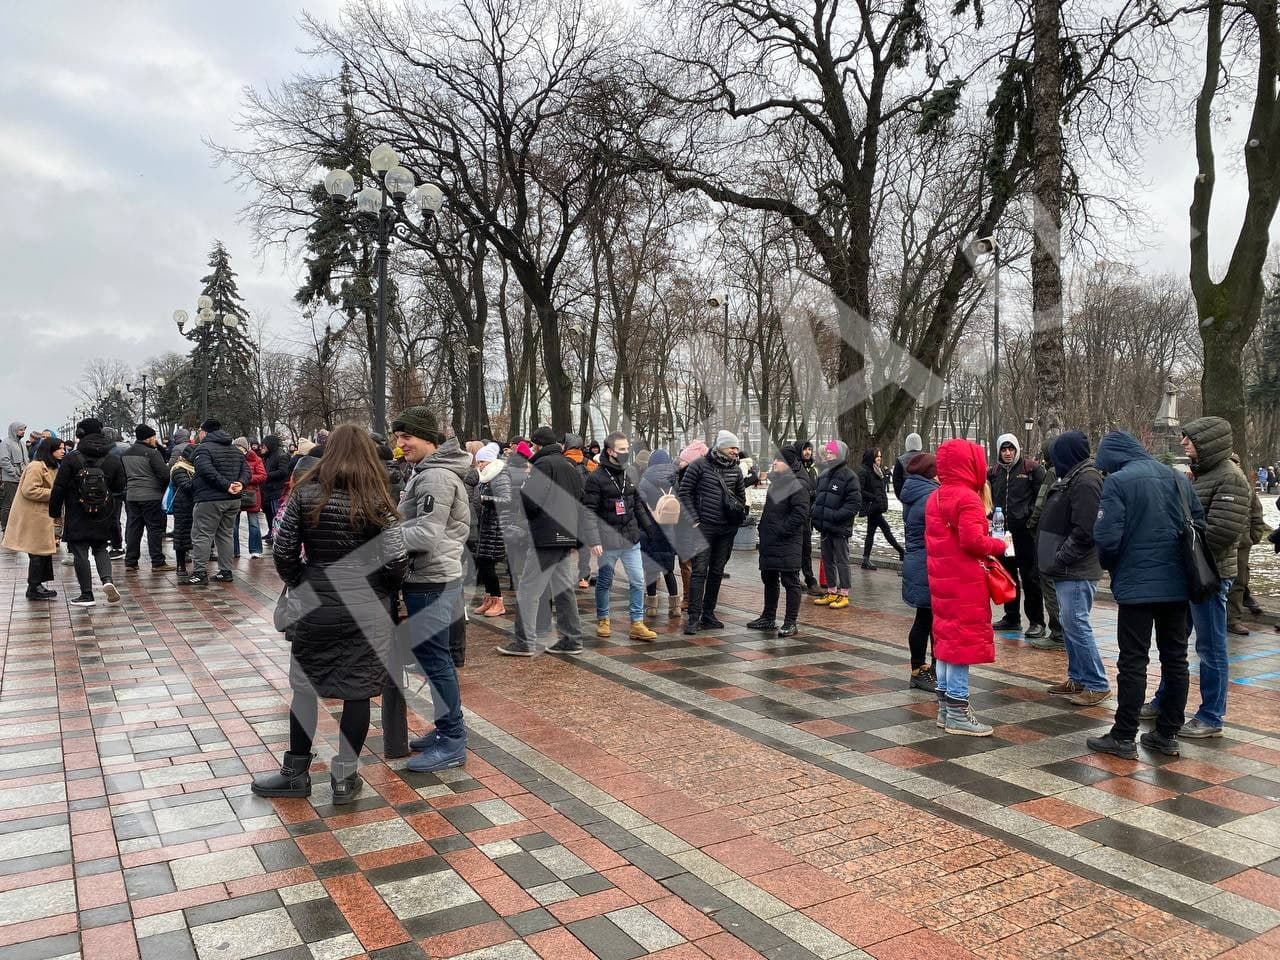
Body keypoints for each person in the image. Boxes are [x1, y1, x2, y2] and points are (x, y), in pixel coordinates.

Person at [252, 424, 409, 803]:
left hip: (316, 599)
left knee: (305, 687)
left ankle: (295, 774)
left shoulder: (305, 493)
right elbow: (397, 559)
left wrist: (304, 581)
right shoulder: (377, 498)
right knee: (357, 691)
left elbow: (283, 551)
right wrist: (379, 589)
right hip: (366, 603)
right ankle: (344, 777)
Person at [1087, 432, 1199, 759]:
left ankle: (1123, 736)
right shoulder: (1177, 478)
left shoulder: (1118, 482)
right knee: (1175, 658)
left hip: (1136, 585)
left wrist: (1113, 566)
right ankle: (1167, 734)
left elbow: (1106, 537)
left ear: (1113, 458)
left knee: (1134, 660)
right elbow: (1198, 524)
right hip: (1177, 584)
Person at [1142, 417, 1250, 738]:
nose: (1183, 443)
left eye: (1189, 439)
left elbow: (1222, 532)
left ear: (1208, 442)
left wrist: (1180, 543)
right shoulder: (1200, 475)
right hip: (1189, 572)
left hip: (1209, 576)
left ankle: (1211, 715)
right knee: (1175, 643)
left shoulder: (1230, 478)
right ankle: (1165, 700)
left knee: (1210, 648)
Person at [390, 407, 473, 770]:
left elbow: (425, 534)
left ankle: (452, 740)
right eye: (398, 437)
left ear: (427, 438)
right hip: (434, 577)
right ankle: (447, 730)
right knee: (435, 659)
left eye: (407, 436)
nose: (401, 443)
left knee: (435, 661)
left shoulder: (435, 476)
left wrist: (383, 539)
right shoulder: (429, 472)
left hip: (431, 579)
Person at [926, 439, 1008, 736]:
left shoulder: (935, 497)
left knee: (946, 644)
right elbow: (973, 542)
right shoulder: (968, 498)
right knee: (960, 646)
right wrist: (1000, 544)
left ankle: (945, 709)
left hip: (942, 581)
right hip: (964, 584)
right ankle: (958, 712)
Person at [498, 425, 586, 656]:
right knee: (564, 589)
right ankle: (572, 639)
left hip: (545, 537)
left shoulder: (543, 465)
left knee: (528, 590)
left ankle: (524, 642)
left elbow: (530, 500)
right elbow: (581, 498)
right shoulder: (569, 465)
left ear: (537, 445)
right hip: (566, 534)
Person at [1036, 432, 1109, 705]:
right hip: (1067, 567)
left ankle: (1096, 683)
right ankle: (1078, 677)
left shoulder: (1086, 480)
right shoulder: (1074, 477)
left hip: (1076, 568)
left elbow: (1085, 530)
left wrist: (1061, 557)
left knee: (1076, 623)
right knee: (1070, 624)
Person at [584, 431, 659, 641]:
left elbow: (638, 505)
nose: (626, 452)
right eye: (622, 449)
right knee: (605, 581)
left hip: (630, 538)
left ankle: (637, 623)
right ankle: (603, 619)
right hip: (607, 541)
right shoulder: (596, 478)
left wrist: (650, 529)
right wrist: (594, 540)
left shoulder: (629, 474)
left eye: (627, 448)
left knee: (638, 580)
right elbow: (588, 512)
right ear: (610, 451)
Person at [50, 418, 127, 607]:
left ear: (80, 434)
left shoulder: (71, 458)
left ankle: (87, 594)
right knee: (101, 548)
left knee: (80, 552)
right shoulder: (112, 459)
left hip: (77, 512)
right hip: (103, 513)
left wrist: (54, 512)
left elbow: (59, 487)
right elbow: (120, 487)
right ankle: (107, 580)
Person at [678, 431, 748, 635]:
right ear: (721, 447)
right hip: (703, 528)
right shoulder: (699, 465)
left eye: (737, 448)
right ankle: (693, 617)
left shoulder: (736, 469)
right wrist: (694, 519)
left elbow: (740, 497)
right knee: (699, 571)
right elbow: (684, 493)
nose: (735, 451)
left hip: (726, 530)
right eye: (732, 447)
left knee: (717, 571)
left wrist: (735, 519)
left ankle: (709, 614)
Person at [988, 433, 1047, 638]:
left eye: (1011, 449)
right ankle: (1011, 617)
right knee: (1008, 576)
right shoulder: (994, 473)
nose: (1007, 453)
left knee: (1031, 578)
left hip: (1025, 534)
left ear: (1016, 449)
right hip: (1003, 535)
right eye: (1004, 449)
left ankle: (1037, 621)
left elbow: (1041, 498)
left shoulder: (1031, 469)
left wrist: (1028, 518)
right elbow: (987, 497)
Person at [747, 448, 809, 637]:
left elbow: (800, 513)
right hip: (770, 539)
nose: (774, 463)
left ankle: (790, 622)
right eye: (774, 459)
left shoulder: (797, 484)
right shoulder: (776, 483)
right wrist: (764, 529)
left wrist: (782, 530)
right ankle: (768, 617)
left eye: (779, 460)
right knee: (769, 577)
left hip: (787, 541)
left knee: (790, 580)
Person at [182, 419, 249, 587]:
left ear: (205, 432)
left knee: (202, 535)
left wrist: (226, 485)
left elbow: (205, 470)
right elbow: (246, 470)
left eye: (199, 431)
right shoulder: (235, 449)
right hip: (233, 500)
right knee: (225, 534)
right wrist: (240, 484)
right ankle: (226, 571)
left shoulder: (203, 449)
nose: (198, 434)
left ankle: (199, 573)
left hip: (209, 499)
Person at [3, 437, 64, 599]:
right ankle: (34, 587)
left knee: (43, 551)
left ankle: (37, 585)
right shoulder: (36, 467)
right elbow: (29, 490)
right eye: (59, 448)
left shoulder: (51, 466)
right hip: (34, 516)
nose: (63, 451)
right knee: (37, 552)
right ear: (50, 450)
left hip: (42, 515)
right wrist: (54, 494)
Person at [899, 452, 938, 691]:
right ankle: (922, 669)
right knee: (928, 619)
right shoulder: (930, 496)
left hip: (916, 560)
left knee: (925, 617)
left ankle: (922, 667)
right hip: (928, 562)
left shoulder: (913, 491)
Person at [812, 441, 861, 609]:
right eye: (826, 452)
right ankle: (831, 590)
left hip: (839, 527)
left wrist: (834, 516)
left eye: (831, 452)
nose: (828, 455)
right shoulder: (823, 475)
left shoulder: (850, 477)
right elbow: (818, 498)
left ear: (840, 454)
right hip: (824, 527)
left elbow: (854, 504)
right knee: (827, 560)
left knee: (842, 560)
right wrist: (815, 514)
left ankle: (844, 593)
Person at [1027, 439, 1065, 650]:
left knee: (1048, 584)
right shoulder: (1077, 472)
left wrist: (1032, 525)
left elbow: (1041, 503)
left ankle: (1058, 632)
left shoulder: (1052, 473)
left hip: (1049, 535)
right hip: (1065, 537)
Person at [1227, 454, 1270, 634]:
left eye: (1235, 463)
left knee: (1239, 581)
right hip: (1220, 541)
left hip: (1242, 543)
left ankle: (1233, 619)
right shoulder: (1214, 482)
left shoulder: (1246, 486)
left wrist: (1253, 536)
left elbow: (1256, 513)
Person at [638, 448, 681, 620]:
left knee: (650, 571)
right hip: (669, 530)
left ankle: (652, 607)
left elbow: (639, 505)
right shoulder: (674, 481)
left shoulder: (645, 481)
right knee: (669, 570)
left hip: (650, 530)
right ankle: (675, 607)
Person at [121, 424, 171, 571]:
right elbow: (164, 475)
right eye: (154, 437)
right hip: (151, 496)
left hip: (132, 496)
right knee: (154, 529)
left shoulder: (126, 453)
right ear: (149, 438)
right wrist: (161, 489)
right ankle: (157, 561)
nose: (155, 440)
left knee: (134, 528)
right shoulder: (152, 454)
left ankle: (131, 561)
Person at [472, 442, 510, 617]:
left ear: (490, 461)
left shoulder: (500, 475)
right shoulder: (487, 476)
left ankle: (498, 601)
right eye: (478, 462)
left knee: (488, 565)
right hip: (486, 526)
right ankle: (489, 598)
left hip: (496, 528)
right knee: (483, 563)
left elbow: (507, 500)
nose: (479, 465)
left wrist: (484, 499)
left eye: (482, 461)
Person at [675, 440, 709, 611]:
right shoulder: (682, 475)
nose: (680, 463)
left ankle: (690, 599)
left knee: (688, 564)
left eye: (684, 460)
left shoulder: (692, 477)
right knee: (691, 564)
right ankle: (693, 599)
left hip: (691, 525)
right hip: (689, 525)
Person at [859, 448, 903, 570]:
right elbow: (860, 490)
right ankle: (901, 551)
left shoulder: (878, 471)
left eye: (880, 456)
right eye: (877, 456)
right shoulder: (865, 471)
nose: (879, 458)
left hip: (877, 507)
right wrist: (873, 498)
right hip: (872, 507)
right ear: (871, 458)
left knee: (871, 533)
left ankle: (865, 559)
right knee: (885, 529)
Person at [563, 434, 596, 589]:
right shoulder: (590, 463)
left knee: (563, 544)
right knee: (583, 545)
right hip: (585, 509)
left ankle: (562, 576)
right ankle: (584, 577)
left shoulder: (561, 463)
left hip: (566, 509)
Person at [232, 437, 267, 559]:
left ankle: (255, 549)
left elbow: (262, 476)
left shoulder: (256, 459)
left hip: (251, 495)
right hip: (235, 493)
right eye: (235, 447)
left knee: (254, 524)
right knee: (233, 525)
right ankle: (234, 550)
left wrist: (245, 479)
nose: (237, 449)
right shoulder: (231, 459)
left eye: (240, 447)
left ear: (245, 448)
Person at [797, 441, 822, 594]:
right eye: (805, 449)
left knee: (806, 548)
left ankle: (810, 579)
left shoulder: (813, 468)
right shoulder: (795, 467)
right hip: (797, 513)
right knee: (796, 548)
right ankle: (794, 577)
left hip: (809, 513)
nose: (808, 452)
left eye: (810, 449)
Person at [169, 444, 197, 576]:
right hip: (183, 507)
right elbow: (187, 486)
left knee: (193, 535)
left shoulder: (192, 468)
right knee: (181, 535)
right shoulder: (179, 468)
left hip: (193, 505)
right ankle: (180, 565)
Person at [259, 435, 290, 542]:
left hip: (276, 490)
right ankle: (271, 532)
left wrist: (267, 475)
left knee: (276, 514)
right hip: (268, 490)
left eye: (264, 445)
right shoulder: (268, 456)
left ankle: (277, 535)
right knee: (268, 513)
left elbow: (283, 471)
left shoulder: (281, 455)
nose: (262, 447)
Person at [1, 421, 30, 532]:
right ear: (14, 430)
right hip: (10, 479)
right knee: (9, 503)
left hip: (22, 477)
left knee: (20, 503)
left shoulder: (22, 443)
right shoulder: (6, 443)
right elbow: (4, 461)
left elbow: (26, 460)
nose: (23, 432)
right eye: (21, 430)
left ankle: (17, 526)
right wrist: (15, 473)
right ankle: (5, 527)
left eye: (24, 430)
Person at [891, 432, 924, 500]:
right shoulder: (926, 458)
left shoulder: (900, 460)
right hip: (923, 494)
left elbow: (897, 481)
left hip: (907, 494)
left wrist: (900, 496)